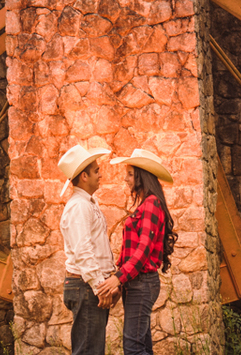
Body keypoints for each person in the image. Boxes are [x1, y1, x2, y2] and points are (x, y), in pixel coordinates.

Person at [95, 148, 177, 355]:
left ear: (142, 176)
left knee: (133, 347)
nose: (126, 179)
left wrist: (117, 278)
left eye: (130, 174)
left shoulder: (151, 204)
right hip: (137, 283)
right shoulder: (147, 204)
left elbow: (142, 251)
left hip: (142, 284)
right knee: (142, 346)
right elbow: (131, 253)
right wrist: (122, 283)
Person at [59, 144, 119, 355]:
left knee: (92, 349)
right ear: (84, 176)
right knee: (88, 351)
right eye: (96, 171)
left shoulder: (87, 203)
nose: (100, 175)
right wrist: (99, 286)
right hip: (85, 286)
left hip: (87, 286)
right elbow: (83, 250)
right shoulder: (79, 206)